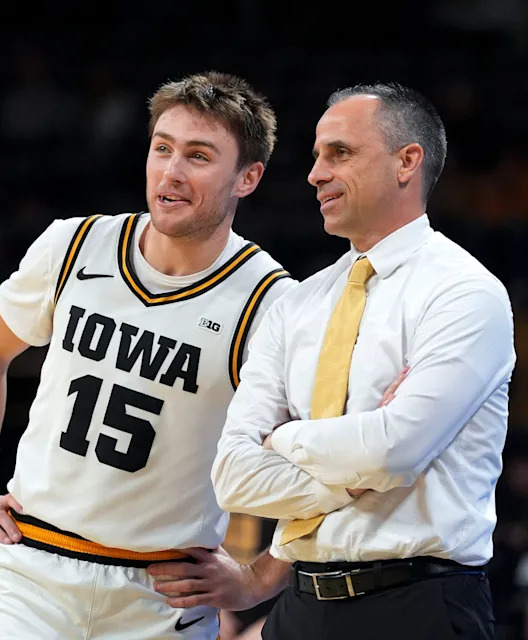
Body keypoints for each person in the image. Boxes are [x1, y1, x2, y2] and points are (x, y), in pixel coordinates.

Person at [0, 70, 297, 639]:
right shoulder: (74, 244)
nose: (171, 171)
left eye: (198, 156)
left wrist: (263, 577)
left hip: (164, 595)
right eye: (162, 149)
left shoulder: (272, 303)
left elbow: (321, 456)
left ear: (249, 177)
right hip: (31, 566)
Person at [206, 82, 516, 639]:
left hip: (419, 605)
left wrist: (284, 440)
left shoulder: (467, 292)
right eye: (317, 156)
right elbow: (231, 478)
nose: (315, 174)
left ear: (407, 162)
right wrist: (356, 473)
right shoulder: (295, 303)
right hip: (298, 606)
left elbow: (396, 451)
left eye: (339, 153)